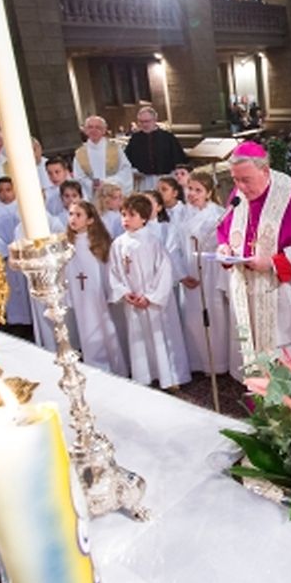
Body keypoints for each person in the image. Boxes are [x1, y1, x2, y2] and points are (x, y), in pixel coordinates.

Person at [217, 142, 291, 370]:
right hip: (248, 291)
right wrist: (225, 248)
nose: (239, 187)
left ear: (265, 171)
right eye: (235, 180)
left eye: (245, 179)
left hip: (284, 294)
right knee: (253, 356)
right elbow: (224, 229)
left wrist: (273, 263)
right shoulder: (239, 195)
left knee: (288, 368)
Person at [108, 194, 190, 388]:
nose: (125, 219)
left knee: (161, 339)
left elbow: (164, 271)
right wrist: (124, 292)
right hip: (133, 300)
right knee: (139, 340)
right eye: (123, 214)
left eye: (131, 215)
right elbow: (113, 271)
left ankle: (169, 378)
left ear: (144, 218)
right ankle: (145, 376)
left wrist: (151, 297)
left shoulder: (152, 241)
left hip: (152, 302)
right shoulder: (118, 244)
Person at [64, 202, 128, 376]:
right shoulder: (67, 244)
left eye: (78, 215)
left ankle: (115, 367)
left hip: (98, 297)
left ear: (91, 220)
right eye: (71, 214)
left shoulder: (99, 243)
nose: (73, 219)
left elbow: (108, 270)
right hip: (80, 296)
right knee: (86, 331)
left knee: (106, 330)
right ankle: (95, 367)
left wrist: (111, 292)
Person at [177, 172, 229, 376]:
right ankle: (198, 361)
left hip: (210, 271)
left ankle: (218, 363)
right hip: (189, 270)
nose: (192, 194)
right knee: (192, 318)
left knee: (214, 316)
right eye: (190, 189)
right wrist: (181, 273)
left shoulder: (218, 213)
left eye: (198, 190)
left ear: (208, 193)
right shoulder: (181, 213)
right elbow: (174, 246)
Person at [0, 176, 33, 336]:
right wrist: (8, 252)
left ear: (15, 190)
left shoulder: (23, 208)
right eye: (1, 191)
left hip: (27, 259)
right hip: (8, 261)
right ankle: (19, 323)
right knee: (14, 293)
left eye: (8, 190)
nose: (5, 194)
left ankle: (33, 321)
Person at [123, 106, 189, 193]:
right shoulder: (135, 139)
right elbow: (127, 159)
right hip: (145, 181)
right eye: (141, 122)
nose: (144, 125)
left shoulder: (167, 137)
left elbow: (179, 159)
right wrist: (134, 171)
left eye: (147, 121)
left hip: (166, 177)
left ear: (154, 120)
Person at [74, 115, 133, 197]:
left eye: (98, 127)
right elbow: (79, 177)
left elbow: (125, 170)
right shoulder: (80, 153)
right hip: (92, 195)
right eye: (90, 127)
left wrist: (108, 182)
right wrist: (91, 185)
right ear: (85, 130)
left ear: (104, 130)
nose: (93, 130)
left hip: (112, 193)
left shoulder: (115, 149)